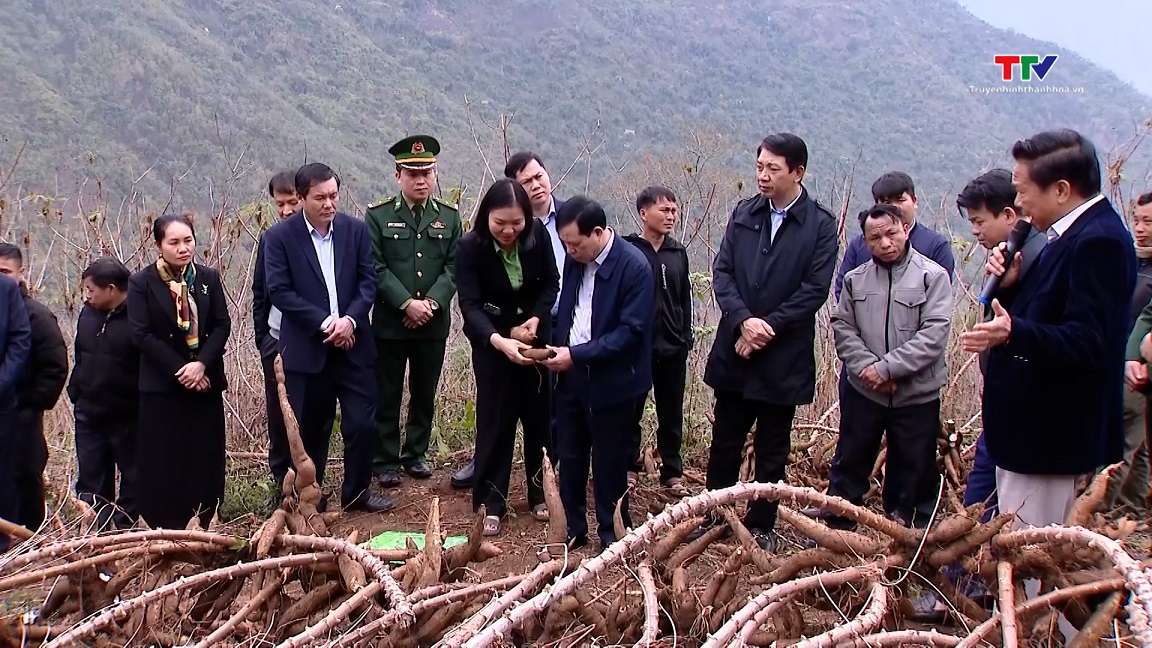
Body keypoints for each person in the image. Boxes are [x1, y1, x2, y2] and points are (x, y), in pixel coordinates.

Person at [961, 129, 1135, 641]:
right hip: (1029, 432)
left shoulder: (1100, 241)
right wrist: (1013, 289)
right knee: (1024, 548)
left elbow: (1089, 340)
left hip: (1050, 435)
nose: (1016, 201)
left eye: (1022, 189)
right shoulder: (1068, 236)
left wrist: (1014, 330)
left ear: (1061, 189)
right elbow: (1050, 313)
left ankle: (1040, 635)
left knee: (1035, 555)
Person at [695, 133, 839, 552]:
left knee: (773, 444)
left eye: (772, 168)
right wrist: (743, 322)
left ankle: (761, 523)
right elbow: (722, 274)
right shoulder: (744, 214)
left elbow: (814, 290)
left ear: (798, 172)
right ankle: (715, 514)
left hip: (782, 353)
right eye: (759, 166)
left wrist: (764, 329)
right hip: (736, 347)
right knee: (726, 437)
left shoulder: (820, 225)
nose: (762, 175)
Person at [263, 163, 393, 513]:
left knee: (362, 423)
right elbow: (280, 291)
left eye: (333, 195)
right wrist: (326, 324)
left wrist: (349, 320)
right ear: (302, 197)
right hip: (308, 347)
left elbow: (368, 280)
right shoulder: (279, 238)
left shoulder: (354, 230)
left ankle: (357, 493)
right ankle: (311, 497)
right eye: (320, 197)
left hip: (353, 344)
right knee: (312, 429)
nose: (328, 203)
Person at [814, 204, 952, 530]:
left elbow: (933, 336)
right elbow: (843, 328)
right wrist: (869, 369)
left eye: (891, 233)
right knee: (850, 461)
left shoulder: (932, 277)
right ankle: (838, 527)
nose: (885, 243)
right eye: (875, 237)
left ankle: (910, 538)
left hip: (915, 394)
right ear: (865, 240)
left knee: (915, 469)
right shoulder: (855, 281)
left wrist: (889, 369)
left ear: (905, 229)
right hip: (866, 391)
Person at [543, 196, 654, 550]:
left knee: (609, 462)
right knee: (571, 455)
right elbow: (570, 310)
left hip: (613, 379)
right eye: (565, 244)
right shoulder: (577, 262)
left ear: (599, 232)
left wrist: (575, 354)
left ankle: (614, 533)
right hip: (571, 375)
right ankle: (574, 528)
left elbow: (628, 333)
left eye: (575, 244)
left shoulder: (634, 268)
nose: (570, 251)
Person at [452, 151, 566, 490]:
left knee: (539, 421)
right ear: (486, 216)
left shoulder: (538, 238)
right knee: (495, 422)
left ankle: (540, 493)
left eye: (516, 223)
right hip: (492, 344)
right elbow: (470, 305)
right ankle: (490, 499)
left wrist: (534, 319)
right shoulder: (470, 248)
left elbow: (551, 282)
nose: (508, 230)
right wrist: (499, 340)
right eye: (500, 222)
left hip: (535, 341)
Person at [366, 135, 462, 488]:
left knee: (424, 391)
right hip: (392, 322)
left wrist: (431, 303)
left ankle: (415, 454)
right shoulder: (378, 216)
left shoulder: (450, 218)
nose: (421, 180)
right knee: (387, 393)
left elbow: (454, 267)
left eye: (427, 172)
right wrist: (407, 303)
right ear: (398, 176)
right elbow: (375, 267)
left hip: (432, 323)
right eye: (413, 173)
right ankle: (385, 460)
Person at [128, 212, 232, 529]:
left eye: (188, 240)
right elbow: (141, 334)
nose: (183, 248)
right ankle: (166, 523)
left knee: (204, 453)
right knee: (164, 455)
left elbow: (221, 325)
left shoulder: (207, 278)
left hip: (205, 382)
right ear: (159, 245)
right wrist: (182, 370)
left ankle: (205, 517)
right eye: (174, 242)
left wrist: (201, 365)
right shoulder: (141, 283)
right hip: (162, 386)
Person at [956, 168, 1047, 515]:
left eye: (980, 222)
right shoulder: (1012, 256)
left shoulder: (1041, 258)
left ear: (1009, 215)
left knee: (1003, 511)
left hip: (1023, 408)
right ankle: (965, 567)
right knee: (978, 504)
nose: (975, 232)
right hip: (1001, 402)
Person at [252, 170, 334, 506]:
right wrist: (264, 341)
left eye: (292, 202)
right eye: (279, 203)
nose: (286, 210)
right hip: (280, 342)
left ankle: (314, 484)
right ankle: (282, 487)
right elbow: (262, 293)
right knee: (282, 415)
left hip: (320, 341)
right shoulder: (273, 239)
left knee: (317, 415)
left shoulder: (325, 236)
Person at [623, 186, 693, 497]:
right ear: (644, 213)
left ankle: (672, 472)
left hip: (673, 345)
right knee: (631, 409)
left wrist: (686, 335)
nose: (671, 216)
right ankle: (628, 466)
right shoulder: (628, 250)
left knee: (671, 411)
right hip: (637, 347)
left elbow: (684, 297)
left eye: (674, 210)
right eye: (664, 210)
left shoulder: (677, 252)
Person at [67, 257, 140, 529]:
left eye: (91, 289)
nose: (87, 296)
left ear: (111, 289)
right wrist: (77, 390)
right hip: (88, 410)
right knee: (91, 478)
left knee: (135, 478)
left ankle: (124, 532)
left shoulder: (139, 316)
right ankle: (94, 536)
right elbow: (80, 354)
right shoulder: (88, 313)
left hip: (127, 414)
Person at [0, 244, 68, 532]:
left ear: (20, 273)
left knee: (24, 475)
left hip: (23, 412)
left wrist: (30, 402)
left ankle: (29, 538)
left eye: (5, 272)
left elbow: (55, 367)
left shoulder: (36, 316)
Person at [833, 171, 955, 301]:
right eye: (887, 202)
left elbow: (940, 298)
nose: (895, 207)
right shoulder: (859, 246)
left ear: (914, 201)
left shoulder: (936, 245)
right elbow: (843, 291)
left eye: (900, 200)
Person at [1117, 190, 1152, 510]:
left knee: (1130, 445)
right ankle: (1129, 506)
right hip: (1118, 360)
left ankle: (1117, 508)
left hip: (1140, 370)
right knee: (1130, 444)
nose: (1141, 228)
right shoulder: (1133, 262)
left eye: (1149, 222)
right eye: (1137, 220)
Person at [0, 271, 30, 550]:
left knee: (3, 470)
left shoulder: (6, 289)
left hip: (1, 401)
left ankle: (3, 540)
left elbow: (20, 341)